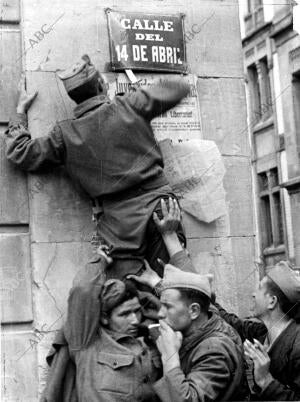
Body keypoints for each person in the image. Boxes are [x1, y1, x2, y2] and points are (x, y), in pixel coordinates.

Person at [4, 54, 190, 279]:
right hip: (159, 207)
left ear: (75, 98)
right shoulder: (129, 105)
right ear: (102, 85)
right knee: (180, 286)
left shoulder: (64, 134)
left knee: (126, 296)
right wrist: (141, 95)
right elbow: (178, 88)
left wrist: (20, 112)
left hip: (117, 226)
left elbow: (20, 152)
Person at [42, 246, 162, 402]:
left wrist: (158, 285)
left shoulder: (151, 338)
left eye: (137, 311)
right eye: (124, 314)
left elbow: (182, 308)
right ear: (104, 317)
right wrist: (100, 260)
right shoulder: (87, 341)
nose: (134, 320)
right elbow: (83, 290)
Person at [129, 255, 246, 401]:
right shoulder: (205, 318)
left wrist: (169, 356)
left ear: (194, 311)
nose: (160, 313)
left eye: (167, 307)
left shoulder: (216, 349)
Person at [213, 261, 300, 400]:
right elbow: (232, 322)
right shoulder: (262, 332)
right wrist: (205, 295)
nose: (254, 294)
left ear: (272, 301)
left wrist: (266, 381)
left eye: (259, 288)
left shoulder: (297, 345)